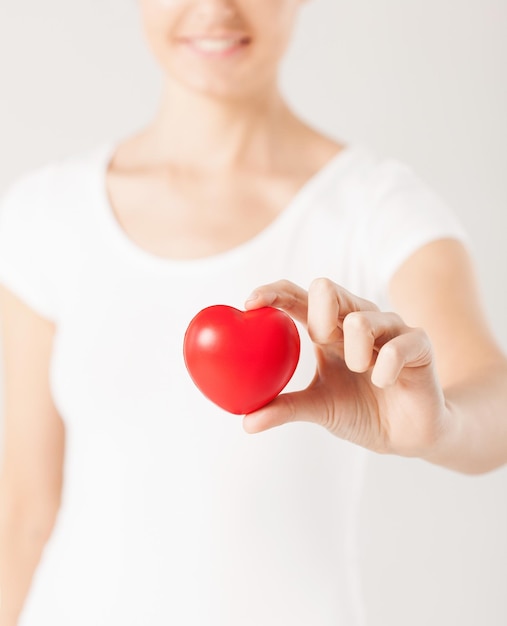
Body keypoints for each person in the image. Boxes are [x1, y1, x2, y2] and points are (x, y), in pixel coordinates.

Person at [0, 0, 506, 624]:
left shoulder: (375, 206)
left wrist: (442, 425)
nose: (214, 9)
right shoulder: (44, 215)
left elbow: (495, 400)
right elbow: (21, 514)